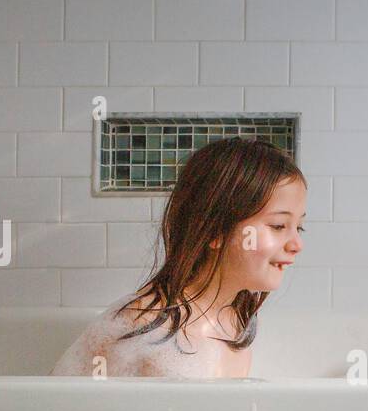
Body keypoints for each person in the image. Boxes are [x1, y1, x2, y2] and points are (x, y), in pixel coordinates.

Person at [50, 137, 306, 378]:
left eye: (299, 227)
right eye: (278, 226)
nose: (297, 244)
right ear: (215, 230)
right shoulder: (143, 328)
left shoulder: (235, 321)